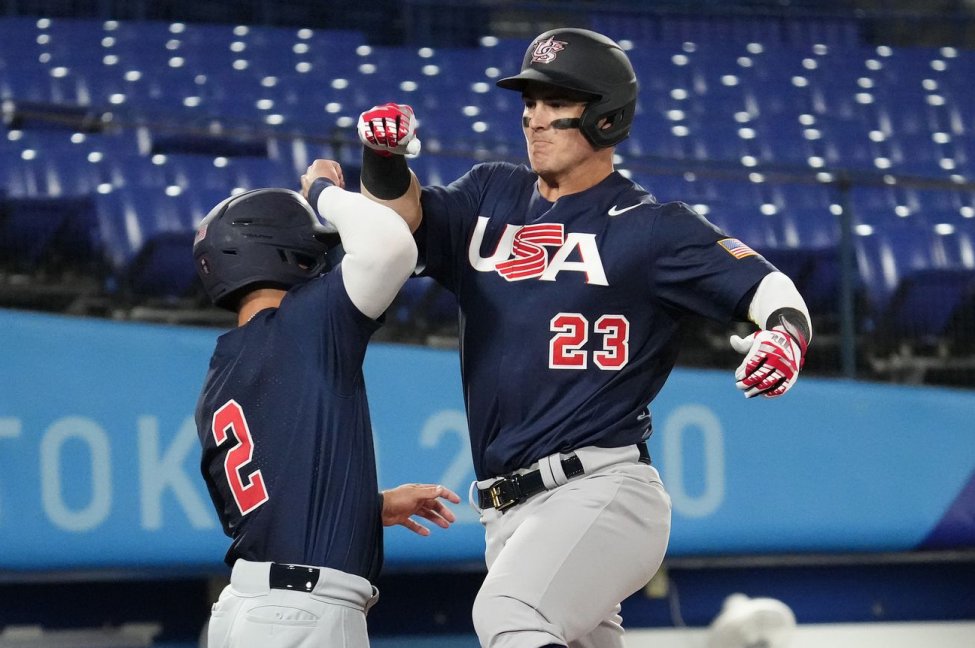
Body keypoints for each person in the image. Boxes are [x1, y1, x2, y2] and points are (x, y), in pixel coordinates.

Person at [354, 26, 812, 648]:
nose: (534, 119)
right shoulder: (492, 191)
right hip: (507, 508)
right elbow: (398, 226)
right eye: (529, 104)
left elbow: (768, 288)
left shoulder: (652, 228)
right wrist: (384, 161)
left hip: (601, 487)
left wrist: (784, 335)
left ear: (604, 117)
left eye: (555, 103)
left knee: (510, 615)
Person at [191, 159, 461, 648]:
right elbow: (392, 246)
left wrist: (368, 507)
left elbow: (273, 503)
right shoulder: (306, 324)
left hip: (246, 610)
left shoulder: (220, 373)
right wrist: (322, 192)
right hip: (301, 613)